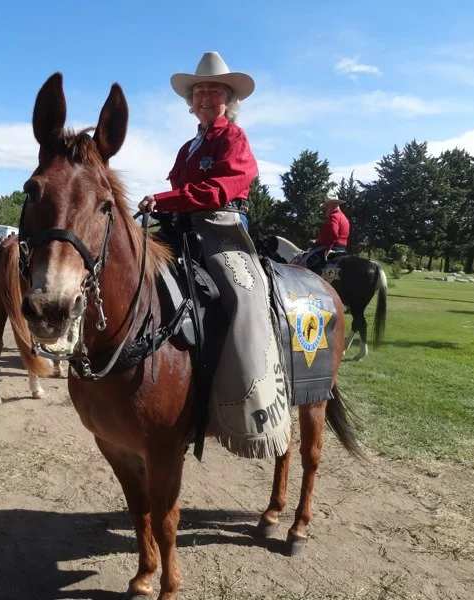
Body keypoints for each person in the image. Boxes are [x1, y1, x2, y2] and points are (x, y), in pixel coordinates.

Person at [138, 51, 290, 459]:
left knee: (243, 296)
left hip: (221, 227)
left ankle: (254, 397)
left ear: (229, 99)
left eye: (214, 91)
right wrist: (164, 207)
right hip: (179, 228)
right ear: (191, 101)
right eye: (200, 91)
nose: (205, 98)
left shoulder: (234, 138)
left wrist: (166, 199)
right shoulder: (188, 147)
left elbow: (223, 188)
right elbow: (179, 192)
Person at [297, 191, 350, 272]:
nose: (325, 209)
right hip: (342, 248)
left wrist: (328, 249)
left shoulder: (334, 216)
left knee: (301, 263)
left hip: (331, 247)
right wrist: (317, 240)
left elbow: (333, 234)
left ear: (331, 205)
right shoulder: (343, 217)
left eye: (326, 206)